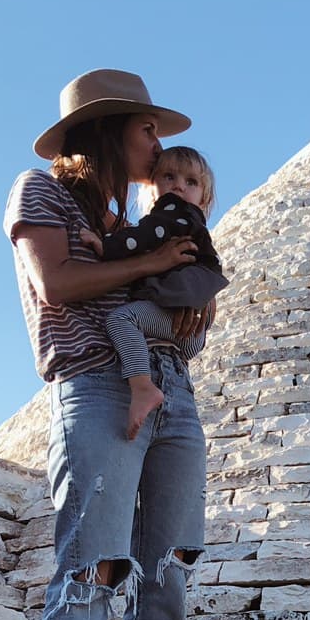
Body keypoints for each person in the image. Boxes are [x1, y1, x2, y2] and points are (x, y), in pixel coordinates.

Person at [3, 68, 213, 620]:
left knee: (172, 565)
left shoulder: (133, 227)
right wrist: (156, 264)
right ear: (108, 128)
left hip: (174, 391)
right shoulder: (40, 191)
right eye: (148, 127)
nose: (158, 143)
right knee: (94, 560)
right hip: (94, 388)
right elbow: (56, 282)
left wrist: (190, 301)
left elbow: (182, 317)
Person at [84, 145, 227, 439]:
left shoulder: (174, 216)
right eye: (169, 177)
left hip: (172, 313)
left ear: (204, 196)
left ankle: (142, 387)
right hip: (189, 333)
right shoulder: (187, 221)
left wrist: (105, 245)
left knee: (121, 321)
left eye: (191, 182)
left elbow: (143, 237)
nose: (178, 186)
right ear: (152, 186)